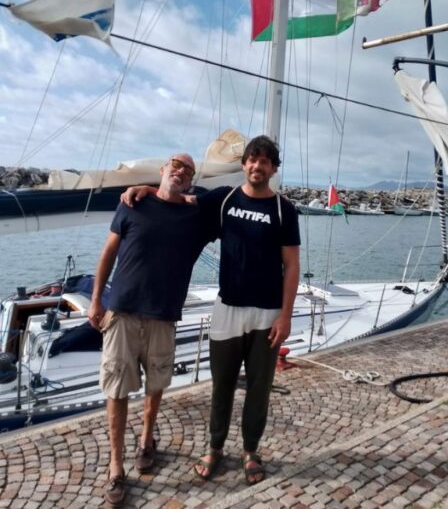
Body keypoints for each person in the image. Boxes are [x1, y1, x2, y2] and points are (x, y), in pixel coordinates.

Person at [124, 135, 300, 485]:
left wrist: (285, 315)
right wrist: (146, 189)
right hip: (227, 309)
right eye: (253, 159)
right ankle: (215, 447)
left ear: (273, 169)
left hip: (267, 313)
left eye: (265, 162)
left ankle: (251, 451)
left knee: (259, 389)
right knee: (222, 385)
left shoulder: (284, 210)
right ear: (244, 164)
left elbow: (292, 265)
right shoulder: (224, 199)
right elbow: (178, 198)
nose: (257, 166)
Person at [89, 154, 207, 507]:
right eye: (175, 164)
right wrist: (96, 300)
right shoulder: (132, 204)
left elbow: (221, 199)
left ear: (191, 181)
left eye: (187, 169)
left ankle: (146, 439)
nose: (180, 170)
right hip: (122, 312)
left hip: (163, 315)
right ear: (162, 170)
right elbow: (108, 253)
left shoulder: (194, 216)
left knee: (156, 384)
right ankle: (115, 465)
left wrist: (160, 190)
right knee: (116, 389)